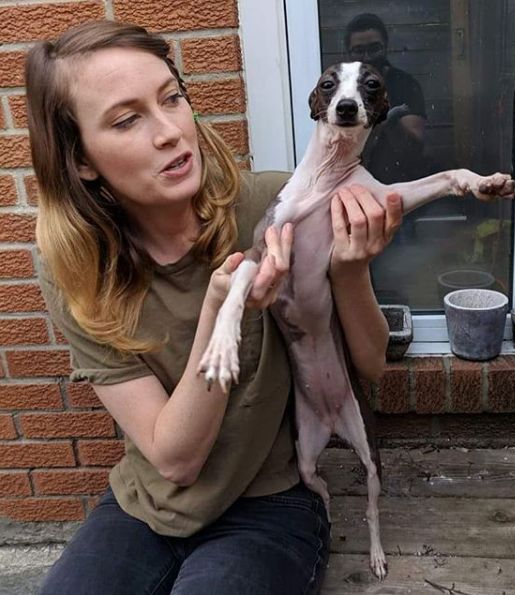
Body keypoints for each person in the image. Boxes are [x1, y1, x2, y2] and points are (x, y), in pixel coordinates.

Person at [27, 20, 403, 595]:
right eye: (127, 120)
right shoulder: (75, 270)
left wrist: (349, 270)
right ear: (81, 160)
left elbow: (371, 363)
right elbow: (175, 461)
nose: (170, 133)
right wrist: (221, 311)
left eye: (171, 98)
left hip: (271, 503)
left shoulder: (279, 205)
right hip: (145, 505)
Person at [345, 13, 431, 184]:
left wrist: (387, 117)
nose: (367, 57)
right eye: (359, 51)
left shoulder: (404, 84)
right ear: (348, 53)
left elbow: (412, 148)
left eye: (374, 48)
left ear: (386, 47)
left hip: (401, 181)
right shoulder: (342, 90)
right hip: (354, 182)